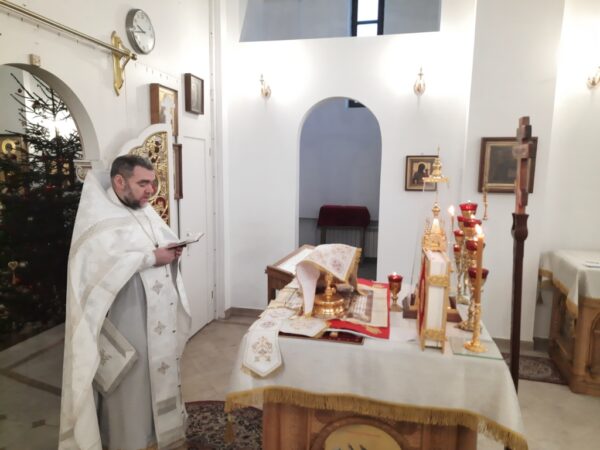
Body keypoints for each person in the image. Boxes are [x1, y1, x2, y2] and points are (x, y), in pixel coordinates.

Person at [59, 155, 192, 450]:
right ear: (119, 181)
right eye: (143, 183)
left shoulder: (143, 210)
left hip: (156, 316)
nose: (151, 190)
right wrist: (151, 258)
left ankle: (156, 438)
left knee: (155, 377)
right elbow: (96, 269)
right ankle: (127, 442)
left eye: (152, 182)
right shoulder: (99, 219)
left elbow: (158, 242)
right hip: (125, 318)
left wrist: (171, 252)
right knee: (130, 384)